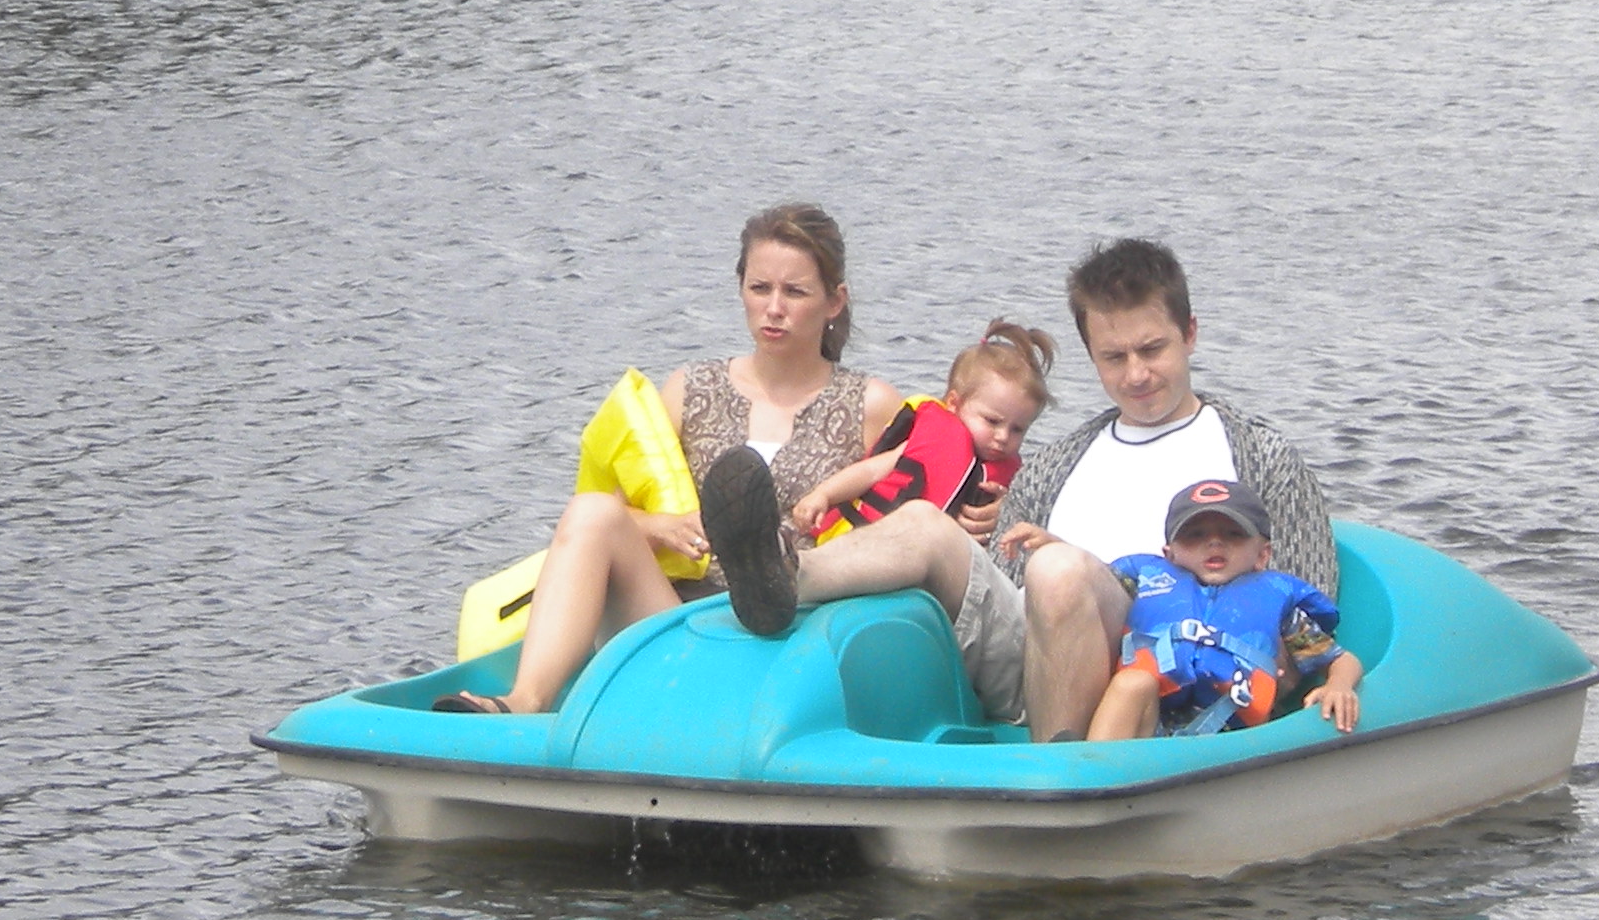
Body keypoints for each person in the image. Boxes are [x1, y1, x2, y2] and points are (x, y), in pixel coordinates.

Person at [709, 235, 1336, 743]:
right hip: (1041, 657)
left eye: (1152, 349)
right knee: (930, 523)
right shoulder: (1056, 462)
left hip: (1182, 662)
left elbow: (1303, 598)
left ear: (1190, 334)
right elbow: (1004, 588)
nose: (1137, 375)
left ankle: (1061, 781)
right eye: (1113, 357)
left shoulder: (1260, 455)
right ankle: (782, 580)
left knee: (1059, 566)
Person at [438, 204, 896, 716]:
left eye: (796, 292)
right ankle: (525, 701)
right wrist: (659, 527)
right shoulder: (691, 388)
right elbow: (602, 519)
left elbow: (921, 515)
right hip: (683, 625)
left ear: (834, 302)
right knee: (592, 512)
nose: (774, 308)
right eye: (759, 287)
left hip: (797, 638)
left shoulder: (871, 406)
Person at [1086, 479, 1362, 741]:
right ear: (1169, 554)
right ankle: (1093, 775)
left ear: (1262, 555)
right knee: (1132, 683)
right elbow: (1085, 585)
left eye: (1233, 534)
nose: (1215, 543)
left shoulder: (1280, 607)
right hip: (1150, 727)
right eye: (1195, 535)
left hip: (1231, 738)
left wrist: (1339, 685)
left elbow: (1341, 659)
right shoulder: (1141, 584)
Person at [788, 320, 1055, 548]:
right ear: (954, 403)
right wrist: (822, 496)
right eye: (992, 421)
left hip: (935, 568)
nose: (1003, 437)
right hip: (866, 542)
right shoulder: (930, 441)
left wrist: (1004, 512)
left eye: (1018, 429)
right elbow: (870, 472)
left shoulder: (1009, 481)